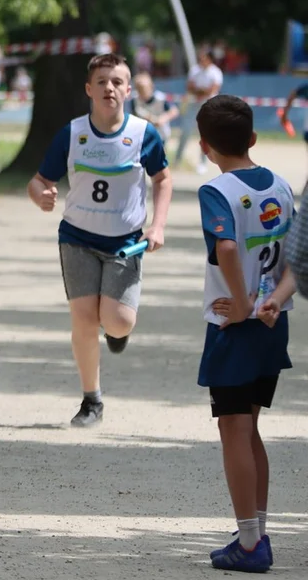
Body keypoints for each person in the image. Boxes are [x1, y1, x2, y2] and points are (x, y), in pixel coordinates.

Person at [26, 53, 172, 428]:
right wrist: (40, 194)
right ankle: (92, 400)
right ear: (89, 89)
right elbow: (40, 180)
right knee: (84, 320)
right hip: (76, 238)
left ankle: (118, 332)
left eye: (118, 81)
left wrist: (157, 226)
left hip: (124, 242)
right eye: (102, 81)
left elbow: (163, 180)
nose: (110, 87)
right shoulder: (72, 134)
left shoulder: (143, 134)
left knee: (119, 322)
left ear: (128, 89)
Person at [194, 95, 296, 572]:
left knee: (232, 427)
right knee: (250, 425)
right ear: (253, 139)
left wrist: (239, 303)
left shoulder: (217, 191)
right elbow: (296, 248)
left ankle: (251, 544)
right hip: (276, 321)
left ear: (205, 146)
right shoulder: (281, 185)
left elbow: (229, 247)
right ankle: (256, 529)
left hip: (238, 325)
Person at [174, 49, 223, 173]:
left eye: (204, 58)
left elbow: (212, 90)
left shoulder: (216, 72)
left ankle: (202, 163)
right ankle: (177, 159)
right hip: (193, 105)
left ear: (210, 59)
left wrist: (199, 90)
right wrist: (201, 90)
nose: (201, 60)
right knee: (185, 132)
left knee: (205, 135)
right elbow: (190, 86)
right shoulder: (195, 70)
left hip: (208, 106)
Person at [126, 72, 179, 145]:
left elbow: (174, 111)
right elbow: (134, 115)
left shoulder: (161, 98)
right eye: (139, 89)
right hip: (143, 134)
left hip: (160, 134)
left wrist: (162, 119)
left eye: (144, 89)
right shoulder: (134, 100)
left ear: (151, 87)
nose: (142, 92)